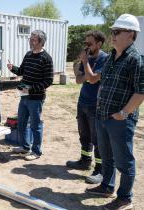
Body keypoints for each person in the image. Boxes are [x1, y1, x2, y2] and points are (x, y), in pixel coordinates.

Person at [85, 14, 144, 210]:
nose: (113, 35)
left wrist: (124, 113)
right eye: (113, 31)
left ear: (130, 35)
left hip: (119, 120)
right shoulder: (111, 57)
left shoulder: (136, 59)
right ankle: (107, 186)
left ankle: (125, 198)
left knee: (124, 160)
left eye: (117, 32)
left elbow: (141, 91)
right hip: (102, 116)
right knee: (107, 157)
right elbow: (100, 81)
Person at [66, 30, 108, 184]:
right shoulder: (88, 58)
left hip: (95, 104)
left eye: (89, 44)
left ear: (99, 43)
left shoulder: (105, 59)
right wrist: (86, 71)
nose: (86, 47)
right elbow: (78, 79)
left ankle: (100, 170)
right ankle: (85, 161)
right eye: (85, 44)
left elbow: (93, 79)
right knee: (84, 135)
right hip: (82, 102)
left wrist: (86, 66)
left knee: (97, 139)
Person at [7, 30, 54, 161]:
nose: (30, 41)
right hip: (24, 96)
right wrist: (13, 68)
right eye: (30, 39)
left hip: (36, 98)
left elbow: (48, 80)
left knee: (35, 125)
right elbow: (22, 71)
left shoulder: (46, 58)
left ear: (40, 42)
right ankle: (24, 147)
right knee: (21, 123)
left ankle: (36, 151)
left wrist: (31, 88)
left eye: (33, 39)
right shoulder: (28, 55)